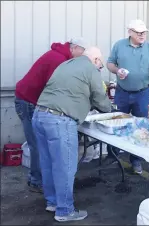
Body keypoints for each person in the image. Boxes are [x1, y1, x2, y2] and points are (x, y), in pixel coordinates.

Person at [32, 47, 111, 222]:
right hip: (60, 120)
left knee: (48, 163)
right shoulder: (90, 69)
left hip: (39, 114)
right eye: (100, 64)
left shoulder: (65, 64)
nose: (100, 68)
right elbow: (100, 98)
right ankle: (64, 210)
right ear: (96, 60)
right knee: (65, 167)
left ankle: (52, 202)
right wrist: (109, 109)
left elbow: (68, 90)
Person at [14, 38, 89, 193]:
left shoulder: (60, 56)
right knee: (37, 145)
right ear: (74, 48)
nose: (83, 57)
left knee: (41, 145)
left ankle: (42, 180)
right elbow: (57, 88)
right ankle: (37, 181)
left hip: (30, 100)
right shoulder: (58, 60)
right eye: (82, 53)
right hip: (28, 101)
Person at [107, 19, 149, 174]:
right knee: (117, 123)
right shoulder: (119, 45)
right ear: (130, 32)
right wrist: (117, 71)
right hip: (122, 92)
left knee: (140, 126)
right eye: (138, 32)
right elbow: (110, 64)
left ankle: (136, 160)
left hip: (142, 93)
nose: (142, 35)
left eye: (144, 32)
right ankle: (113, 155)